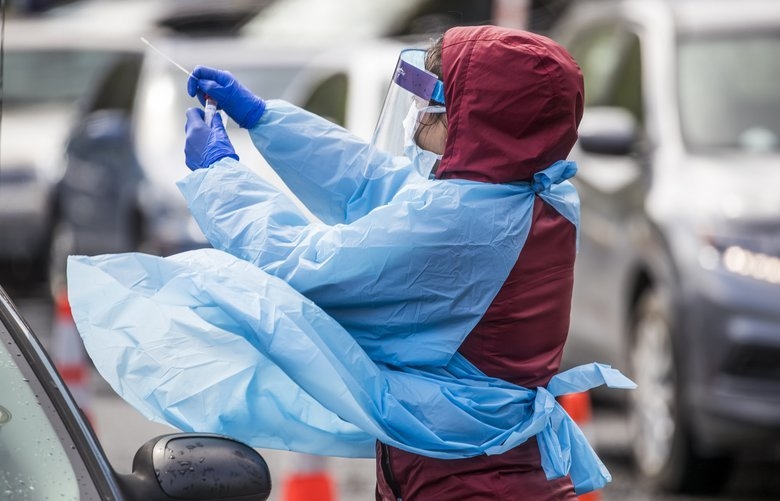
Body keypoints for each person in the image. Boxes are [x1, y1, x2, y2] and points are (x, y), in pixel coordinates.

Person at [67, 25, 634, 501]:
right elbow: (377, 185)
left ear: (479, 117)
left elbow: (302, 267)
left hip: (470, 483)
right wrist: (265, 120)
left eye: (434, 98)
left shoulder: (465, 220)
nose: (420, 112)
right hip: (489, 468)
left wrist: (219, 176)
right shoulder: (526, 194)